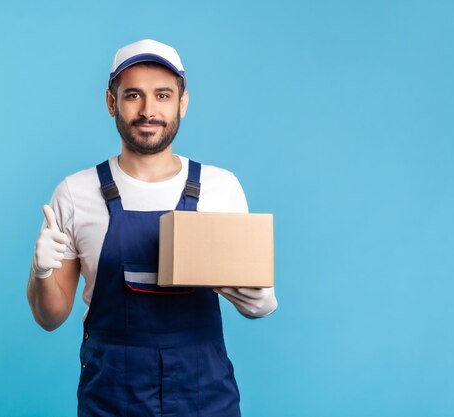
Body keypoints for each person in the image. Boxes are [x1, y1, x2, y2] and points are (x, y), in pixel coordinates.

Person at [27, 39, 278, 417]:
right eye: (133, 95)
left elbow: (258, 301)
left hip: (204, 397)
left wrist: (257, 298)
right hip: (111, 397)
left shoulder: (220, 188)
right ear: (112, 102)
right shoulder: (76, 193)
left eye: (163, 95)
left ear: (183, 102)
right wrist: (41, 271)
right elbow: (50, 317)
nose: (148, 110)